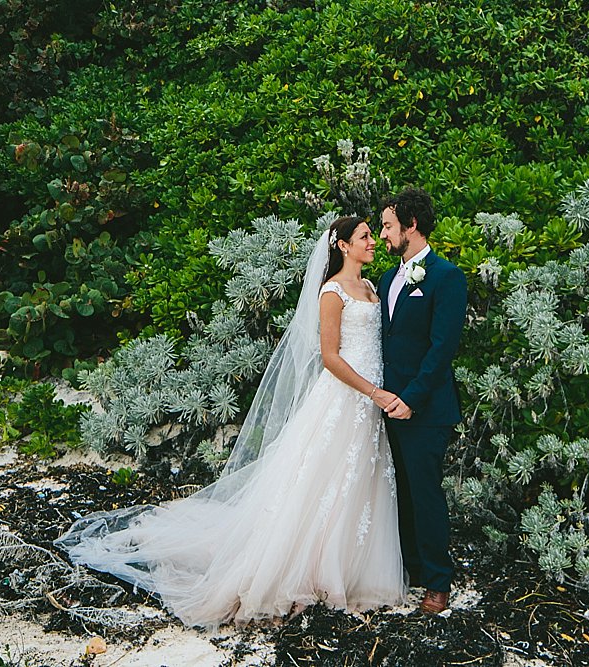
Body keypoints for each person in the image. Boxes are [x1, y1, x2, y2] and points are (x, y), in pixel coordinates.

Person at [55, 216, 406, 630]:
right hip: (348, 398)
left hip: (370, 403)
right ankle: (310, 571)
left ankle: (352, 568)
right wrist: (373, 391)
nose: (372, 241)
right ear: (343, 246)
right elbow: (330, 358)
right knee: (322, 483)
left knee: (357, 482)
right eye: (364, 236)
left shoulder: (370, 287)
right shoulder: (331, 293)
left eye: (372, 234)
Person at [377, 187, 468, 615]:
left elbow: (441, 349)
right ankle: (410, 568)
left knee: (425, 492)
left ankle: (437, 580)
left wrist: (410, 399)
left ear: (411, 225)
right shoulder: (387, 278)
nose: (382, 235)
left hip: (426, 408)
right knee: (399, 492)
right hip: (387, 406)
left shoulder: (446, 277)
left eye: (388, 226)